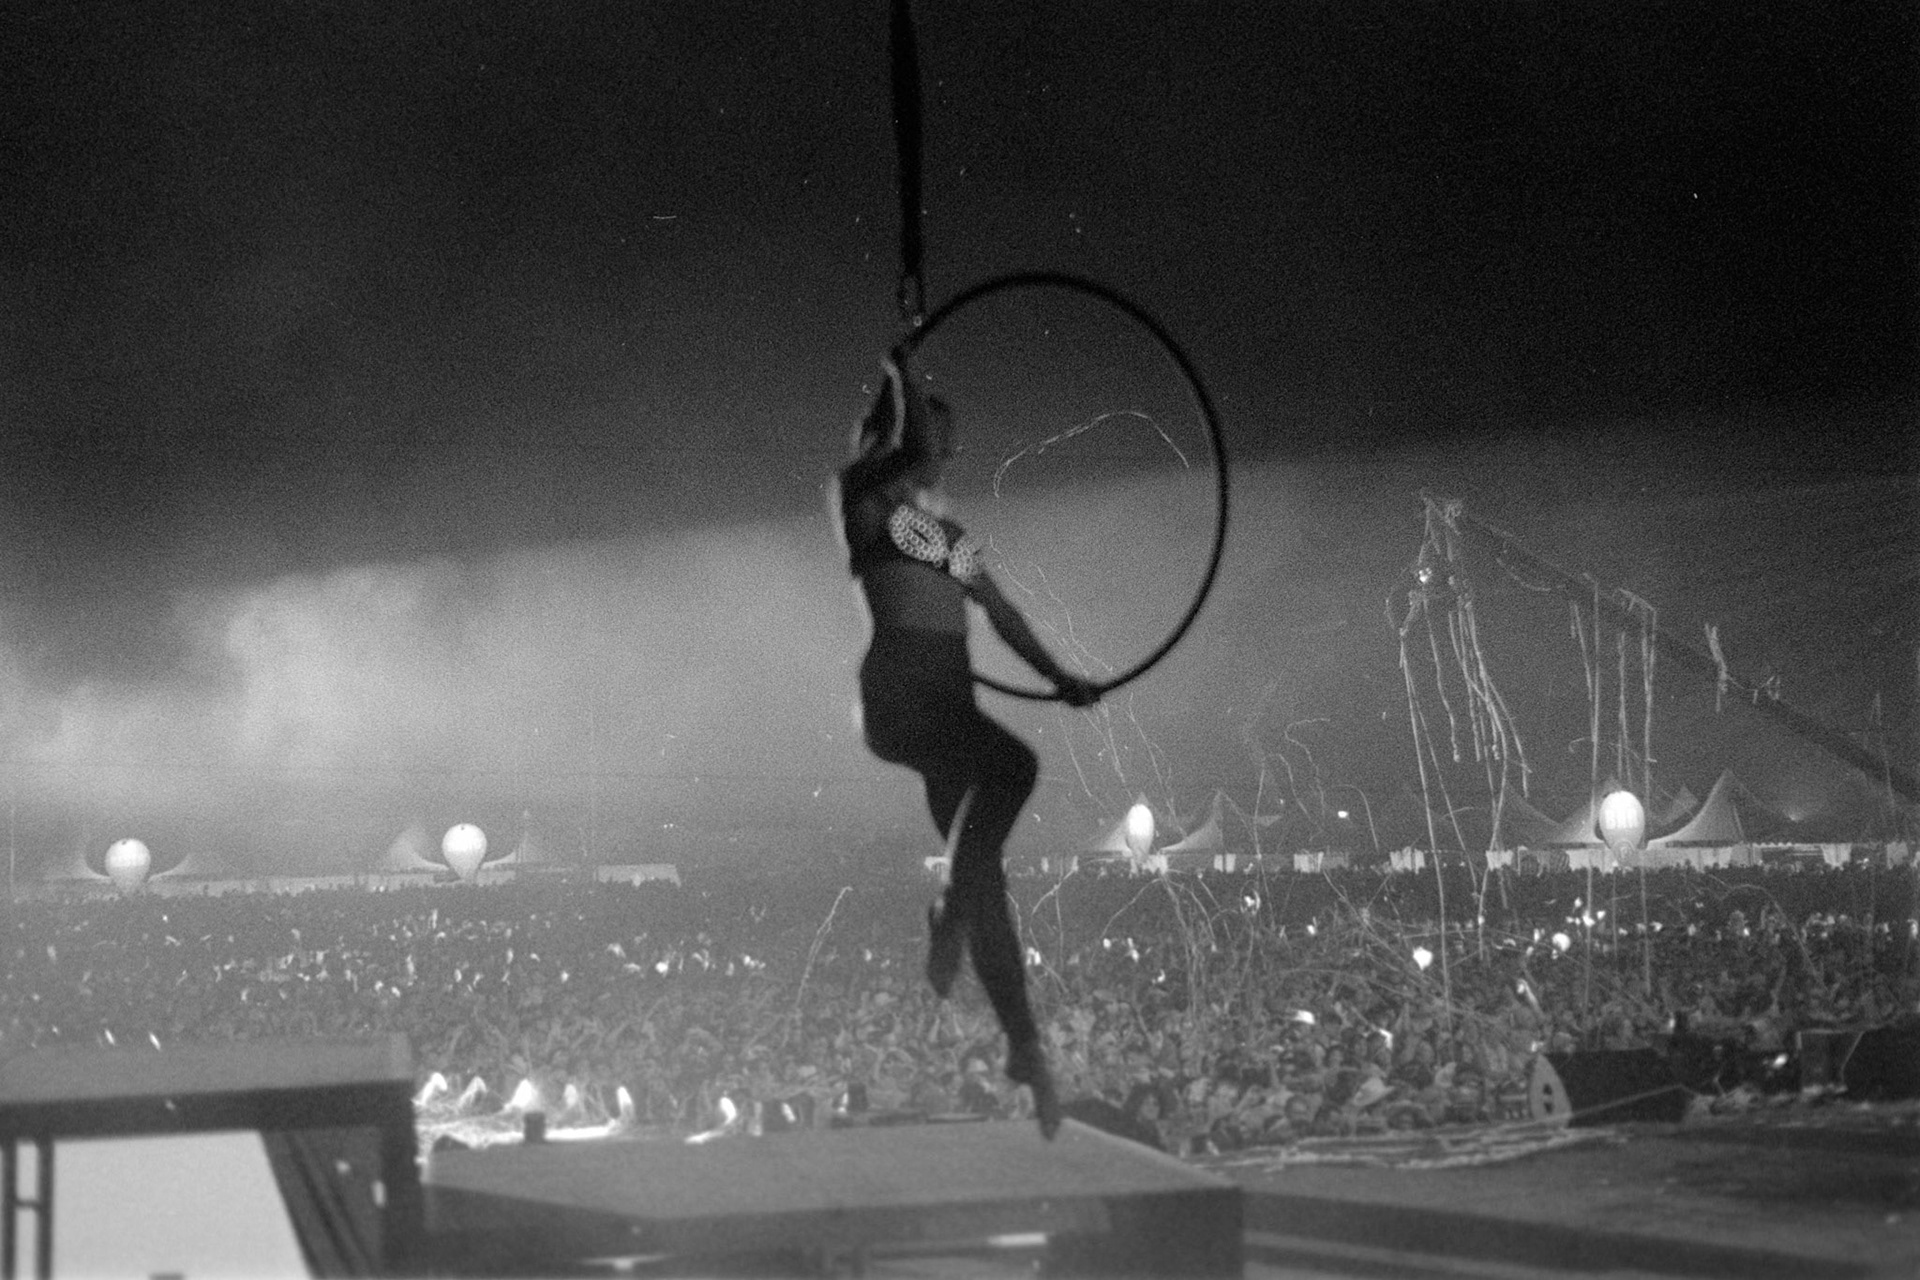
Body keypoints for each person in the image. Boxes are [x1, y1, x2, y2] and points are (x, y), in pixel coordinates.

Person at [833, 353, 1100, 1139]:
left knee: (986, 882)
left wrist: (1060, 677)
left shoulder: (945, 537)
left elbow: (1002, 614)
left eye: (947, 443)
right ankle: (948, 905)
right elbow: (910, 445)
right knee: (1015, 768)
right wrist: (903, 366)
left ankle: (1025, 1046)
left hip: (949, 705)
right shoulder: (863, 499)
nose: (944, 454)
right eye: (936, 437)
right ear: (895, 434)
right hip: (902, 694)